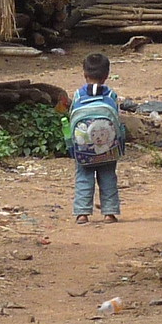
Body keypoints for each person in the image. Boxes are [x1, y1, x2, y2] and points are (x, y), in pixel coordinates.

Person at [68, 52, 125, 223]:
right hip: (108, 148)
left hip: (84, 149)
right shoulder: (111, 95)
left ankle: (82, 213)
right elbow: (117, 120)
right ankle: (109, 213)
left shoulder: (78, 95)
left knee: (83, 177)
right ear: (107, 75)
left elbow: (71, 116)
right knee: (108, 177)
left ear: (85, 74)